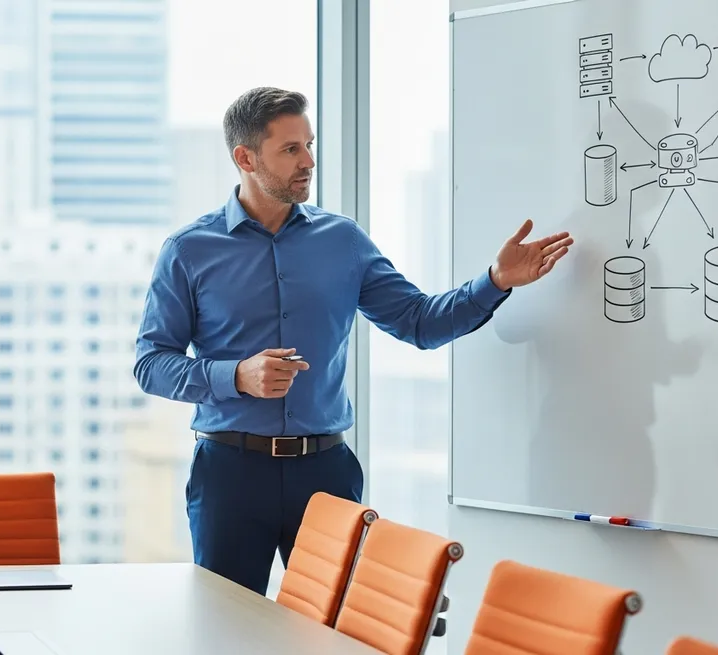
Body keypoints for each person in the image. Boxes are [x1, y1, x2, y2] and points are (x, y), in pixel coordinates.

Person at [133, 87, 573, 594]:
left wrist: (495, 280)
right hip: (230, 475)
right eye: (291, 149)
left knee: (335, 634)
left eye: (310, 144)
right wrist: (234, 376)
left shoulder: (342, 240)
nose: (309, 161)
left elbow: (418, 321)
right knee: (226, 632)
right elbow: (151, 362)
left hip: (326, 474)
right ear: (245, 157)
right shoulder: (190, 250)